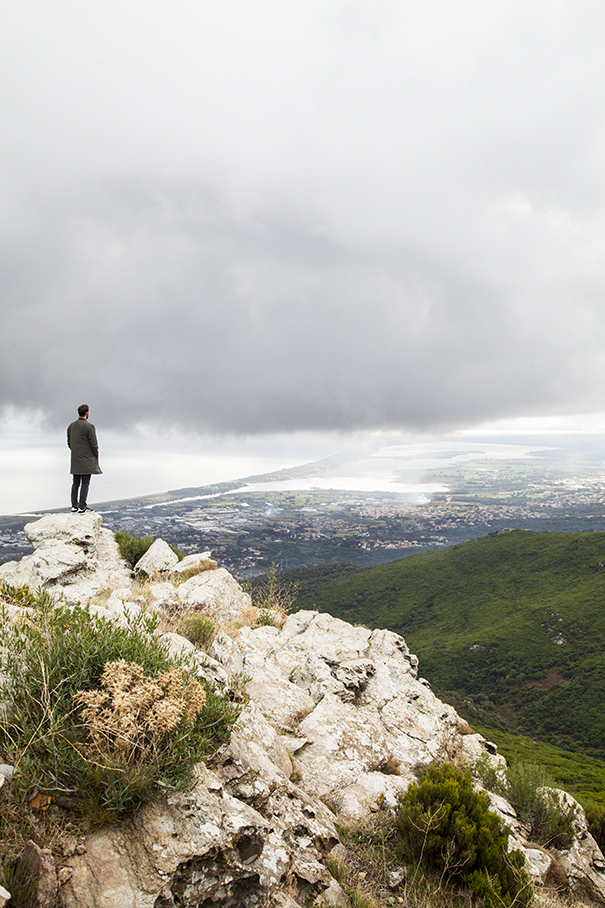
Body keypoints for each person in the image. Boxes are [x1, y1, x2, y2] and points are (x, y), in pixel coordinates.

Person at [67, 404, 102, 513]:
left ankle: (74, 505)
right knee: (85, 483)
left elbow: (69, 443)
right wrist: (95, 454)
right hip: (87, 459)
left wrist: (76, 451)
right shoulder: (89, 427)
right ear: (87, 412)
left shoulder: (71, 426)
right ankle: (82, 506)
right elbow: (94, 444)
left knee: (75, 482)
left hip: (76, 458)